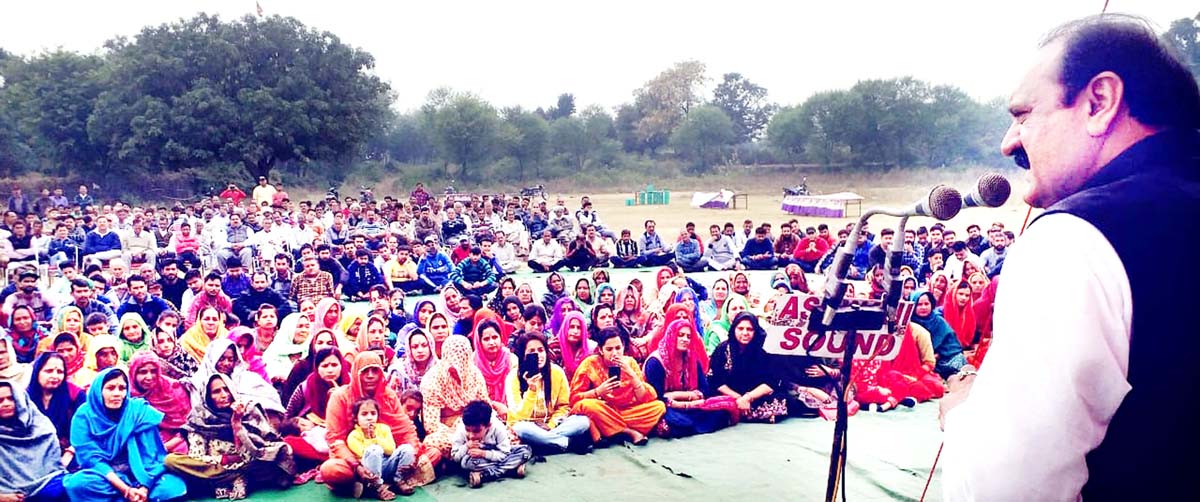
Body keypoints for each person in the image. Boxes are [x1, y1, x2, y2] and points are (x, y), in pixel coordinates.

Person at [939, 16, 1200, 501]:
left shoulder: (1073, 239)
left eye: (1023, 115)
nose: (1009, 142)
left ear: (1099, 103)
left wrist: (963, 418)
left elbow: (1007, 489)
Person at [63, 368, 189, 502]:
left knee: (172, 487)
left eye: (122, 388)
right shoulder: (84, 416)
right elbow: (92, 459)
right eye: (110, 388)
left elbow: (152, 455)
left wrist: (144, 486)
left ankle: (137, 495)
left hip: (142, 470)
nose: (117, 394)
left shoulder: (138, 411)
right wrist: (125, 489)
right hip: (107, 475)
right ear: (98, 390)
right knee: (77, 484)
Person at [165, 374, 295, 500]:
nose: (224, 395)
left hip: (250, 462)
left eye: (226, 389)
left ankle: (225, 482)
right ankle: (234, 478)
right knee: (171, 460)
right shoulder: (199, 418)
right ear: (208, 396)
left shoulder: (249, 409)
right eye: (216, 392)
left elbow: (264, 445)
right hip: (217, 467)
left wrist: (237, 423)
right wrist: (225, 459)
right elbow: (197, 456)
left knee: (282, 451)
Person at [320, 352, 431, 497]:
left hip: (389, 457)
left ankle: (377, 484)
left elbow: (406, 431)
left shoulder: (389, 396)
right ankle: (372, 483)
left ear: (381, 373)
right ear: (355, 373)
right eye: (365, 371)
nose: (371, 375)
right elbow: (336, 440)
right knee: (331, 470)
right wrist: (357, 467)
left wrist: (413, 457)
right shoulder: (340, 397)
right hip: (354, 459)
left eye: (375, 371)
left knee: (432, 454)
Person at [569, 327, 666, 445]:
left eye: (618, 348)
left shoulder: (630, 363)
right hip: (604, 408)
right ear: (600, 350)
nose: (615, 353)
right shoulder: (590, 364)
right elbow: (574, 398)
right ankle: (629, 431)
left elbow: (644, 398)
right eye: (609, 349)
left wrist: (631, 374)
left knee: (659, 406)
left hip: (626, 411)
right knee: (586, 405)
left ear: (623, 347)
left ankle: (607, 428)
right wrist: (598, 392)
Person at [644, 319, 737, 437]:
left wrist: (686, 397)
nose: (685, 339)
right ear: (671, 336)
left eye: (688, 336)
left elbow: (704, 389)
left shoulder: (692, 359)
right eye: (680, 335)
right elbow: (658, 397)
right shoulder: (656, 362)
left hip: (692, 403)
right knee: (675, 420)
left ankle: (684, 427)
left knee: (726, 407)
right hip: (667, 407)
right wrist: (687, 401)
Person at [506, 332, 590, 453]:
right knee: (521, 428)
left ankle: (543, 442)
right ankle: (568, 443)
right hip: (526, 425)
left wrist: (550, 426)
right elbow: (518, 416)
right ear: (523, 356)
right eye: (531, 352)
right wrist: (531, 390)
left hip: (552, 424)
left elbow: (564, 406)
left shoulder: (557, 372)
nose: (538, 355)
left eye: (541, 350)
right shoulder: (513, 377)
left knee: (583, 421)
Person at [419, 336, 492, 459]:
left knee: (508, 434)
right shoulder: (432, 379)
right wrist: (462, 436)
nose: (455, 371)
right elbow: (431, 425)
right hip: (448, 432)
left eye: (460, 366)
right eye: (452, 367)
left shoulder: (474, 374)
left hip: (476, 428)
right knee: (432, 442)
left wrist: (477, 432)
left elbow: (486, 409)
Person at [709, 312, 789, 423]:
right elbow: (715, 380)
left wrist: (747, 398)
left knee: (781, 399)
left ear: (755, 331)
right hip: (731, 395)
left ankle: (739, 414)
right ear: (734, 329)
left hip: (757, 396)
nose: (745, 333)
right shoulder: (723, 349)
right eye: (740, 328)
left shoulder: (765, 349)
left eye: (749, 329)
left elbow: (772, 382)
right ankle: (754, 414)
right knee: (716, 402)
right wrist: (738, 398)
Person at [0, 381, 68, 502]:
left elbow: (53, 469)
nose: (6, 404)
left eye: (11, 398)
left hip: (47, 486)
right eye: (0, 400)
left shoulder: (42, 429)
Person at [451, 400, 532, 488]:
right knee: (466, 463)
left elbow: (504, 453)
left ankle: (484, 475)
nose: (471, 435)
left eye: (476, 431)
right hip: (477, 460)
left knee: (525, 451)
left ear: (488, 426)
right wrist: (466, 447)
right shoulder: (461, 429)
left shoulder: (498, 428)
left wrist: (484, 454)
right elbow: (455, 457)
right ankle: (511, 469)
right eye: (468, 430)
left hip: (495, 455)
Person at [128, 353, 190, 455]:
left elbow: (188, 426)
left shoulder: (172, 388)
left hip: (176, 439)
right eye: (143, 372)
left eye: (153, 371)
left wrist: (165, 447)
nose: (149, 377)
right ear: (133, 373)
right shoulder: (127, 394)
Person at [910, 290, 965, 380]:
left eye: (926, 304)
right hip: (919, 361)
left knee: (959, 359)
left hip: (942, 359)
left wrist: (938, 355)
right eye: (919, 304)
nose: (923, 307)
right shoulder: (909, 323)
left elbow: (952, 345)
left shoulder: (938, 321)